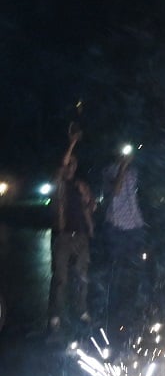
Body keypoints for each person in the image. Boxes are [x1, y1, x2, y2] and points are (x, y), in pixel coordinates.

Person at [48, 126, 96, 332]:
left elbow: (90, 206)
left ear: (76, 167)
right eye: (68, 164)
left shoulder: (79, 185)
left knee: (82, 275)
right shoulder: (59, 182)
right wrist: (73, 142)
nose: (70, 167)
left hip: (81, 236)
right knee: (60, 278)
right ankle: (55, 315)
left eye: (73, 165)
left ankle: (82, 310)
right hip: (63, 235)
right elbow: (62, 163)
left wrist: (91, 207)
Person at [102, 144, 147, 326]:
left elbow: (134, 195)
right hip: (117, 226)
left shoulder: (133, 172)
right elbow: (116, 190)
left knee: (136, 264)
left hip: (134, 225)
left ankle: (134, 303)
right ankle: (114, 305)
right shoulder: (109, 171)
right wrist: (122, 167)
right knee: (118, 266)